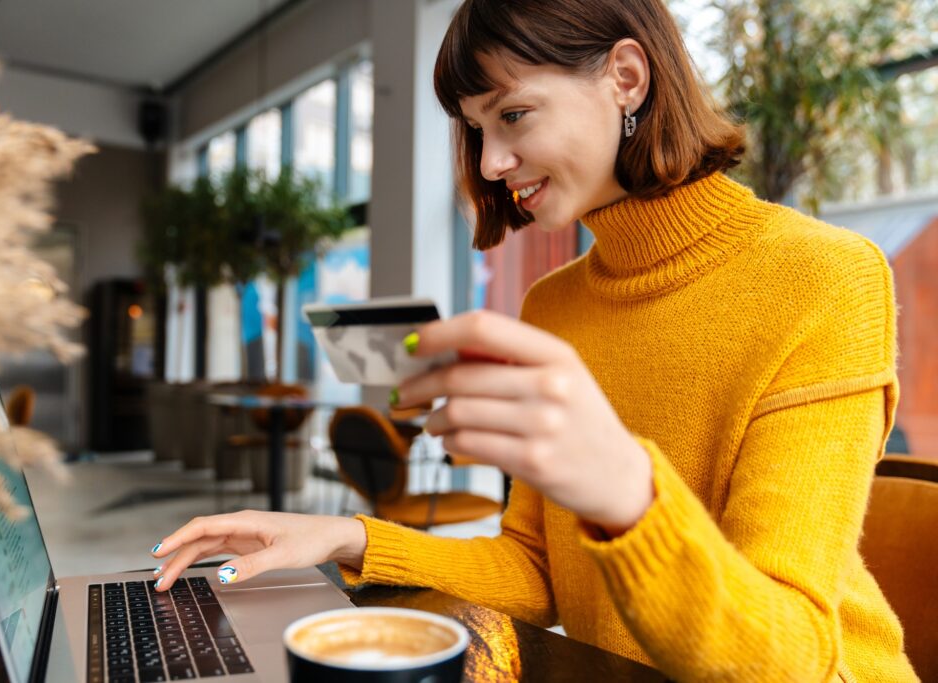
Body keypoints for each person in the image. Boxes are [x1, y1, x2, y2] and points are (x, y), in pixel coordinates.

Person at [151, 0, 917, 679]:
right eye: (476, 129)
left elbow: (792, 657)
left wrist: (627, 490)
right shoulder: (553, 305)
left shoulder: (825, 277)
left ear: (626, 78)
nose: (490, 163)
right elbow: (536, 568)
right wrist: (344, 536)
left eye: (513, 115)